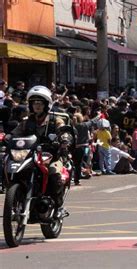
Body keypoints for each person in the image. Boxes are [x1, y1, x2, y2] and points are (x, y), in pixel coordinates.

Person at [10, 85, 74, 217]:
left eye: (40, 103)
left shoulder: (55, 119)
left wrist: (64, 138)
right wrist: (6, 137)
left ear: (46, 104)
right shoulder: (26, 122)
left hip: (52, 156)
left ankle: (58, 206)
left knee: (54, 173)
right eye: (34, 103)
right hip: (29, 155)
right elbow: (13, 133)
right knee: (13, 169)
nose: (37, 106)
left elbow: (63, 129)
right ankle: (15, 201)